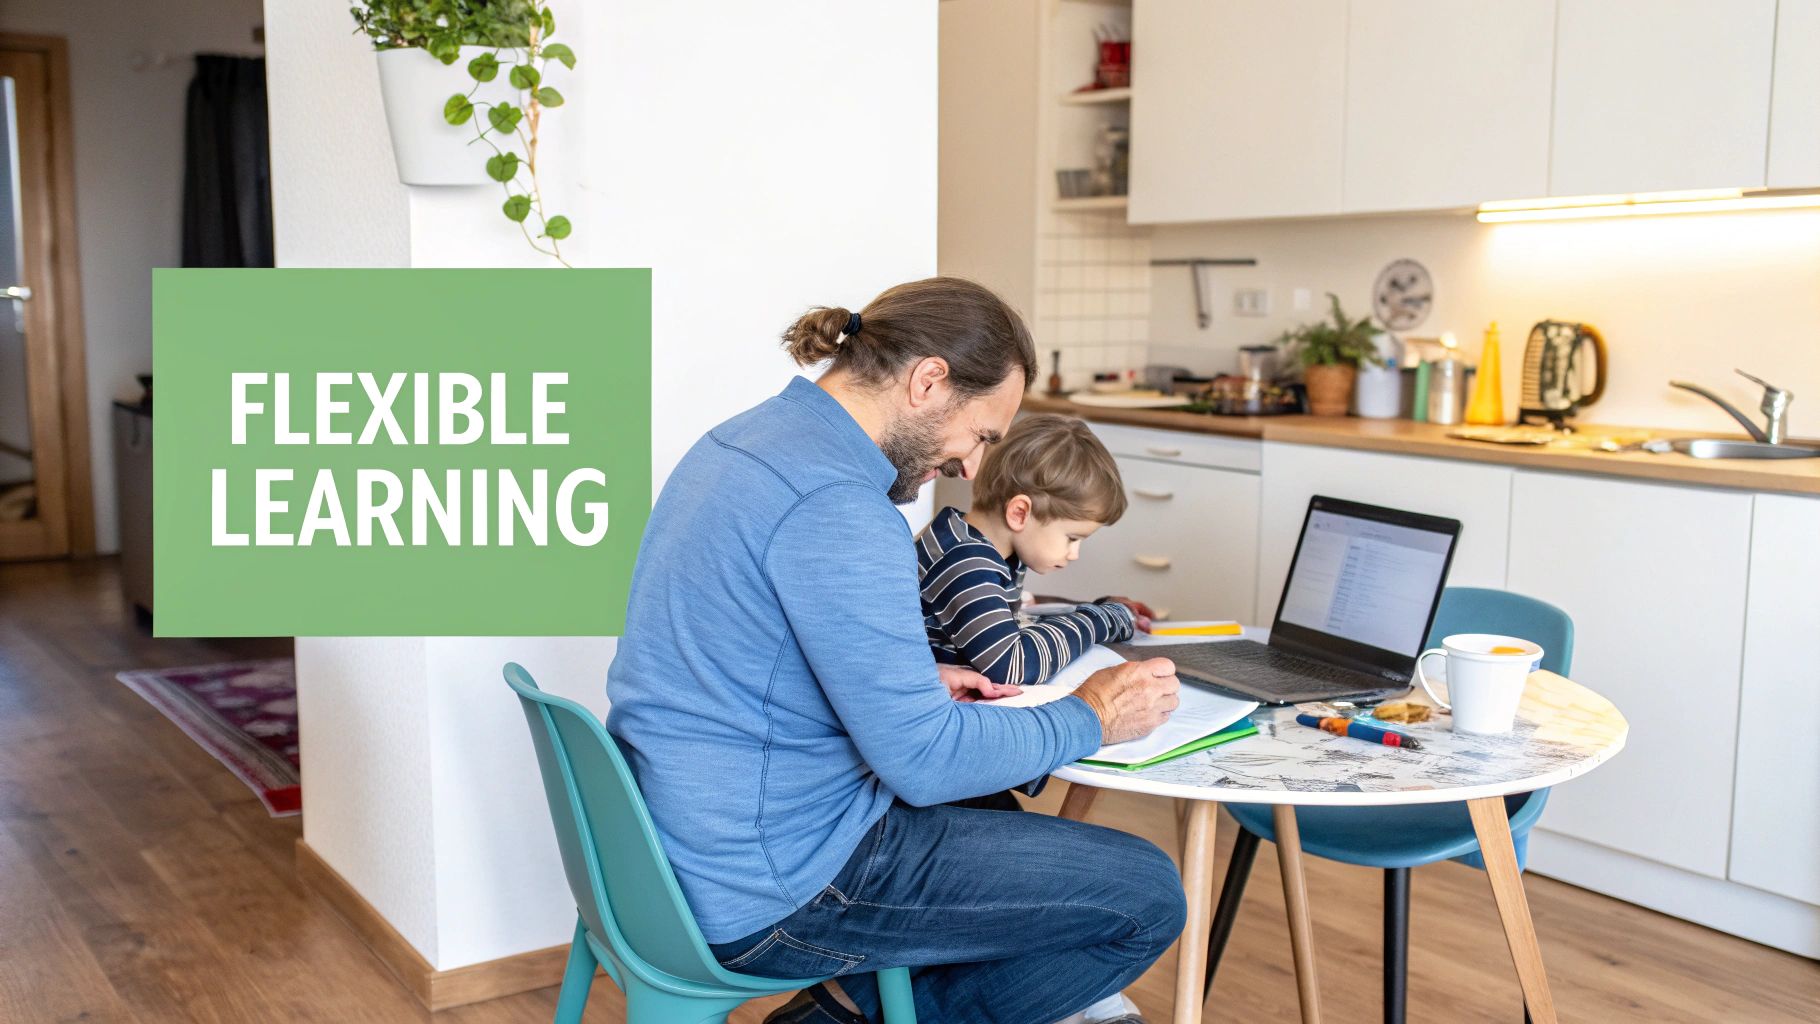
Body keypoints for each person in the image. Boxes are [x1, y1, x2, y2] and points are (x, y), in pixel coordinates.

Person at [606, 277, 1185, 1024]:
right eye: (979, 436)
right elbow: (925, 763)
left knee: (1011, 830)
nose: (973, 468)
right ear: (928, 381)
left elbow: (753, 653)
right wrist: (1093, 716)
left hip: (675, 844)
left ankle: (851, 1003)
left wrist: (920, 678)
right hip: (774, 882)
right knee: (1144, 895)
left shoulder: (743, 441)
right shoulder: (840, 504)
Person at [918, 413, 1151, 689]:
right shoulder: (965, 562)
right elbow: (1012, 665)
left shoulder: (981, 547)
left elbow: (1007, 618)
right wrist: (1101, 621)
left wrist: (1093, 608)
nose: (1074, 553)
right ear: (1020, 513)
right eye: (1071, 538)